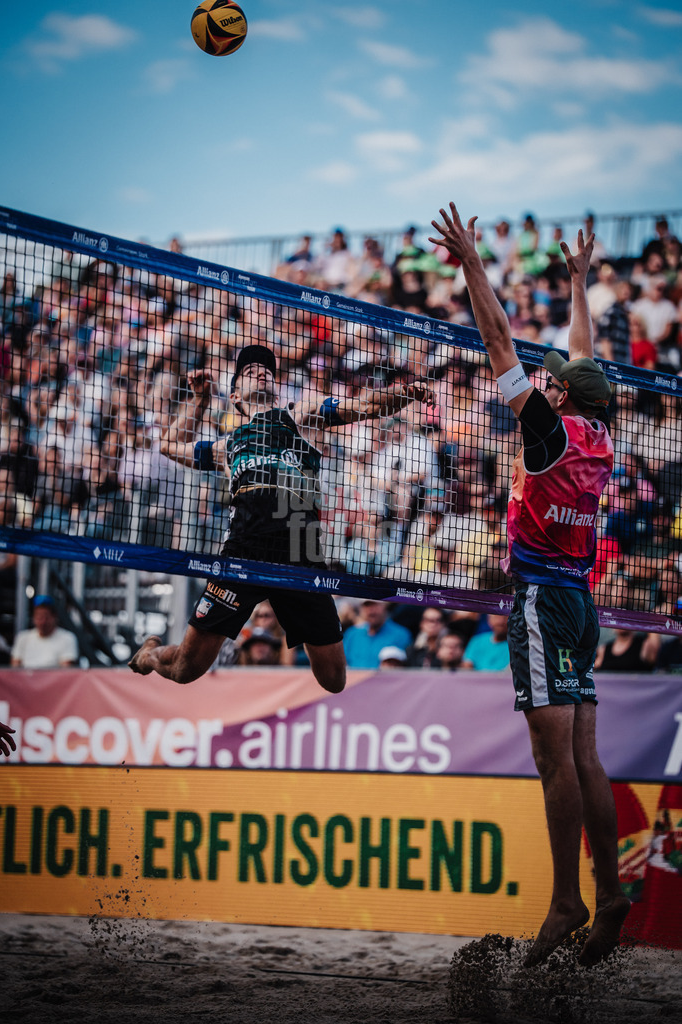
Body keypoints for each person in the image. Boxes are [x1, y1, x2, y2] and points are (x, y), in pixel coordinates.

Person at [430, 202, 629, 968]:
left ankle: (567, 901)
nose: (542, 383)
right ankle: (605, 892)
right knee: (585, 759)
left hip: (546, 603)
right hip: (579, 602)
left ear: (562, 398)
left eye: (550, 384)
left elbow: (494, 342)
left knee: (557, 763)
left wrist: (475, 266)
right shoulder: (596, 430)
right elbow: (581, 362)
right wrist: (576, 284)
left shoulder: (546, 431)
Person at [129, 344, 432, 692]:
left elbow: (366, 407)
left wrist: (405, 394)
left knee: (333, 680)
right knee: (186, 669)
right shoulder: (228, 447)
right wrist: (199, 400)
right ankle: (152, 654)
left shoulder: (298, 415)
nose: (261, 371)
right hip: (242, 556)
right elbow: (168, 446)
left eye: (267, 369)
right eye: (249, 370)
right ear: (235, 395)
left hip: (299, 556)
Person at [11, 594, 79, 668]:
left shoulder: (68, 638)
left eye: (46, 617)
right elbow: (15, 669)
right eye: (39, 617)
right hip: (26, 679)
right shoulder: (22, 638)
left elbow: (65, 670)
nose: (43, 622)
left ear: (54, 617)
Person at [343, 599, 413, 669]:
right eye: (367, 606)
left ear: (384, 606)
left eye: (375, 605)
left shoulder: (401, 635)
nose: (371, 611)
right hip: (354, 678)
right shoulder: (352, 634)